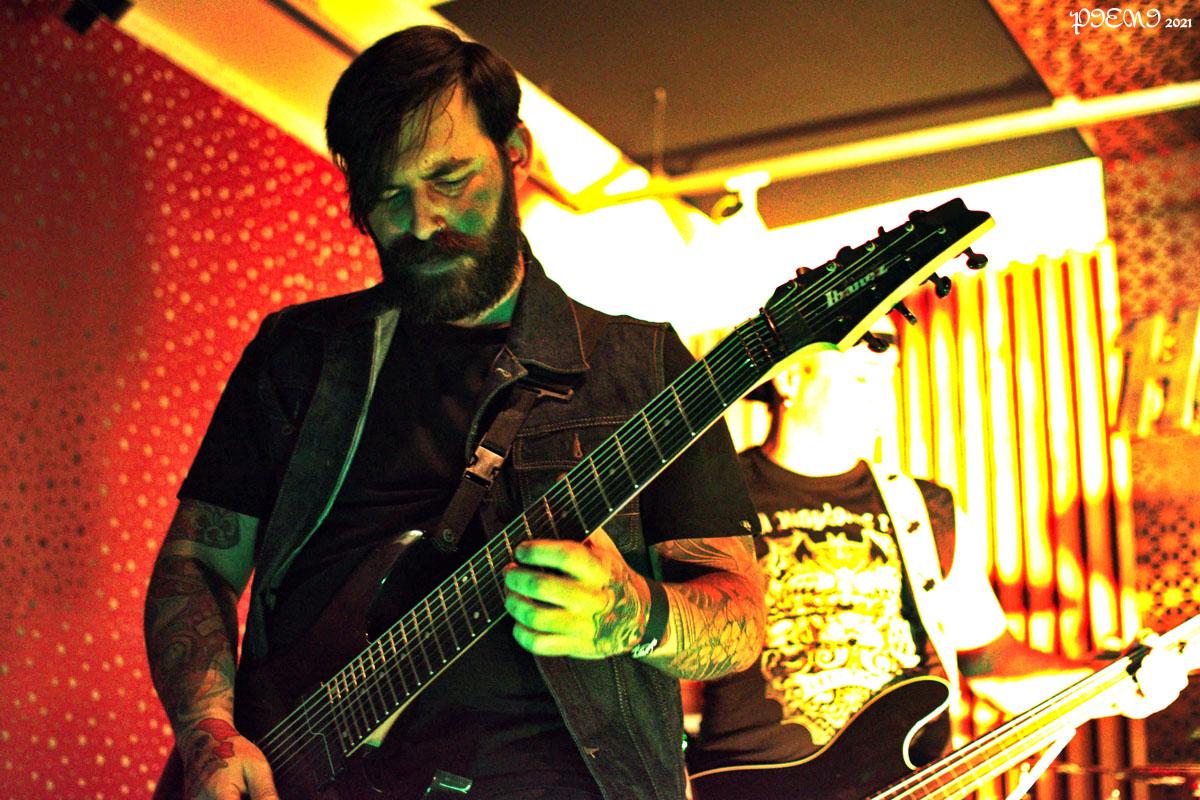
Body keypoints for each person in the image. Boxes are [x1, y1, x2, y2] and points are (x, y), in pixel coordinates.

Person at [143, 26, 766, 800]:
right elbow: (198, 563)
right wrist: (208, 735)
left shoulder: (640, 367)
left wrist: (635, 617)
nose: (422, 220)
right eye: (389, 195)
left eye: (449, 178)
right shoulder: (300, 354)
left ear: (516, 152)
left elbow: (739, 619)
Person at [686, 317, 1189, 798]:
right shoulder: (709, 501)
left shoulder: (924, 508)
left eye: (888, 376)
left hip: (904, 784)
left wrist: (1114, 686)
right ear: (792, 378)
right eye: (861, 376)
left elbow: (990, 663)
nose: (881, 396)